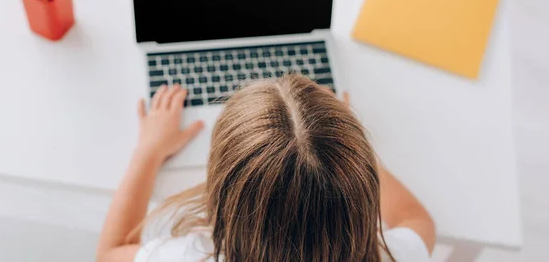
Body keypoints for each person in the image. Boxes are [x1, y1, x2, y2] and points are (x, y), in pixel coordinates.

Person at [96, 75, 436, 262]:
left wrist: (148, 151)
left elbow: (109, 254)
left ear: (221, 196)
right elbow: (417, 219)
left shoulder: (182, 257)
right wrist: (346, 146)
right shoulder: (396, 256)